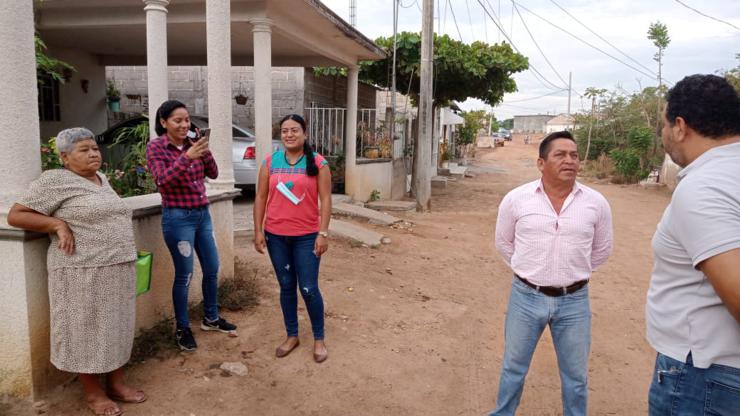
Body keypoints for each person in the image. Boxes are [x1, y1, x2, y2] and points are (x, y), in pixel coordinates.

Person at [7, 128, 145, 416]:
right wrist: (56, 224)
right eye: (84, 150)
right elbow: (16, 215)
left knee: (118, 326)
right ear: (65, 157)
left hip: (117, 268)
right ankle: (94, 394)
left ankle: (116, 384)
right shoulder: (55, 180)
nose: (93, 153)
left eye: (95, 148)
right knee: (86, 331)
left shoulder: (102, 179)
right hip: (81, 272)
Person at [490, 130, 613, 416]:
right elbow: (504, 243)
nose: (569, 160)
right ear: (541, 163)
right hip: (526, 296)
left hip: (574, 301)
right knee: (513, 368)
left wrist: (573, 273)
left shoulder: (596, 203)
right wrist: (529, 271)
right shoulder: (517, 199)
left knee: (576, 376)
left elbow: (602, 249)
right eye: (560, 155)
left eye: (574, 155)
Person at [646, 74, 740, 415]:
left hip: (703, 375)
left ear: (680, 127)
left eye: (664, 124)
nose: (663, 134)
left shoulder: (704, 188)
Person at [145, 100, 236, 351]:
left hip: (202, 215)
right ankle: (182, 328)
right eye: (178, 120)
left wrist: (203, 149)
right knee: (185, 274)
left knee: (212, 267)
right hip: (178, 219)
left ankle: (211, 318)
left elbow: (214, 173)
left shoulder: (192, 144)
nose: (184, 125)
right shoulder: (156, 147)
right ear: (163, 122)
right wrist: (186, 158)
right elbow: (162, 181)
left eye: (187, 120)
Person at [253, 114, 332, 363]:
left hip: (307, 237)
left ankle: (319, 338)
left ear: (304, 133)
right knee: (286, 286)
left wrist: (323, 233)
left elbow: (326, 199)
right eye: (285, 131)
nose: (289, 135)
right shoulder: (270, 162)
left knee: (308, 288)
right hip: (276, 236)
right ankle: (292, 335)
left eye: (294, 130)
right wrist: (258, 230)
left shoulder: (318, 162)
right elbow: (260, 197)